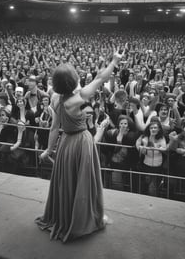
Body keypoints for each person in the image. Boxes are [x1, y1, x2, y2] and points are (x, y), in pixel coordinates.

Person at [35, 46, 124, 243]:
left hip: (65, 143)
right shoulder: (79, 97)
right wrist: (115, 61)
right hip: (82, 142)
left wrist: (48, 149)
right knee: (84, 183)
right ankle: (86, 219)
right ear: (73, 80)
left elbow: (53, 128)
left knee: (68, 183)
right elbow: (100, 79)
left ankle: (65, 218)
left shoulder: (56, 98)